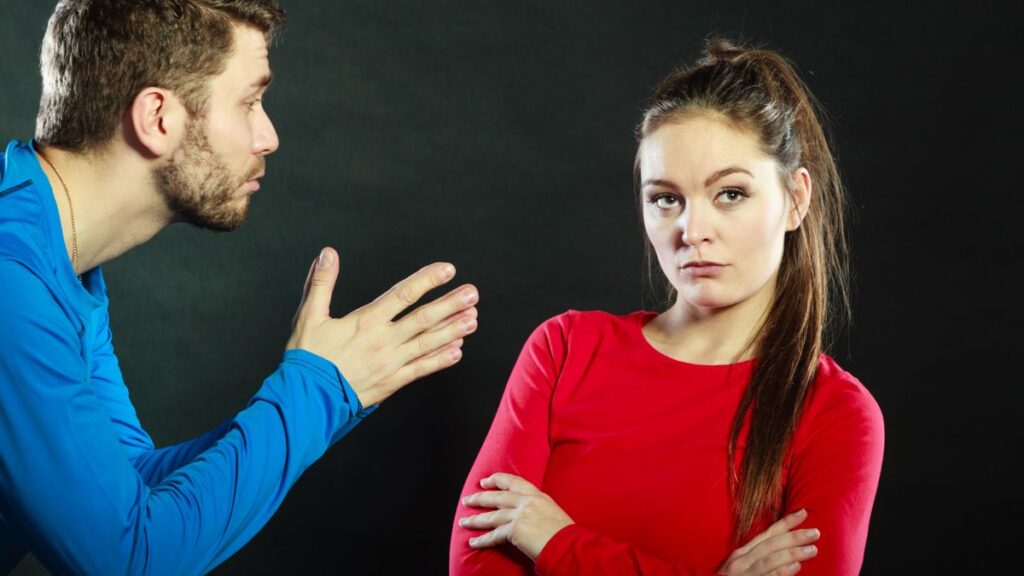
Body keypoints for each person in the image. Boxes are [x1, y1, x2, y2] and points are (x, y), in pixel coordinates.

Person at [0, 1, 480, 574]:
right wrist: (318, 392)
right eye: (249, 101)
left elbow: (129, 486)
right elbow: (127, 558)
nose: (269, 135)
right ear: (158, 118)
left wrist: (339, 383)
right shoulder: (13, 278)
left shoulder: (57, 255)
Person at [450, 39, 884, 575]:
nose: (692, 231)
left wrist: (559, 542)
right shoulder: (564, 350)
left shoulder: (835, 413)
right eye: (666, 199)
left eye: (730, 194)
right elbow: (475, 564)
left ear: (795, 199)